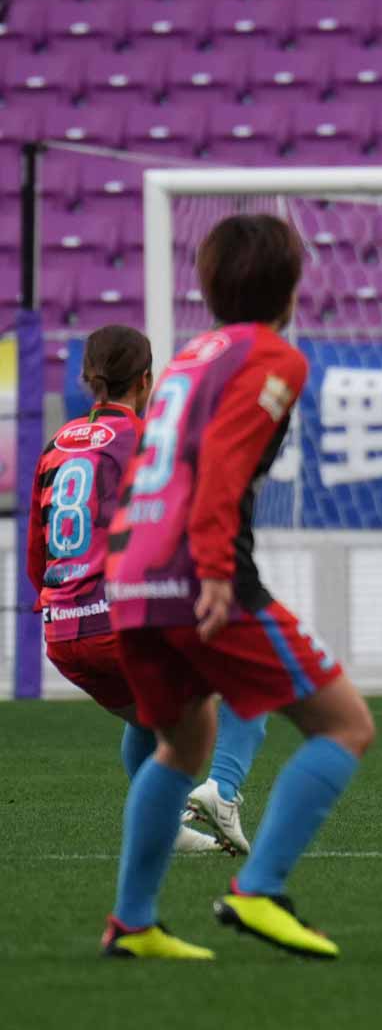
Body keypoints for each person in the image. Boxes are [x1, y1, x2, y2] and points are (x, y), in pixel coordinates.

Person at [100, 215, 375, 960]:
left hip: (131, 571)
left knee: (182, 742)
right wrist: (217, 570)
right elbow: (221, 461)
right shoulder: (274, 355)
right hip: (197, 570)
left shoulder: (190, 357)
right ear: (290, 288)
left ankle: (132, 923)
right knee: (344, 724)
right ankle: (260, 890)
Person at [27, 325, 269, 858]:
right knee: (256, 672)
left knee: (149, 714)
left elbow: (37, 555)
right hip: (119, 622)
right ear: (146, 379)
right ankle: (223, 791)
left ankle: (163, 825)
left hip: (62, 634)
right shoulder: (146, 440)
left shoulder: (53, 447)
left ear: (86, 378)